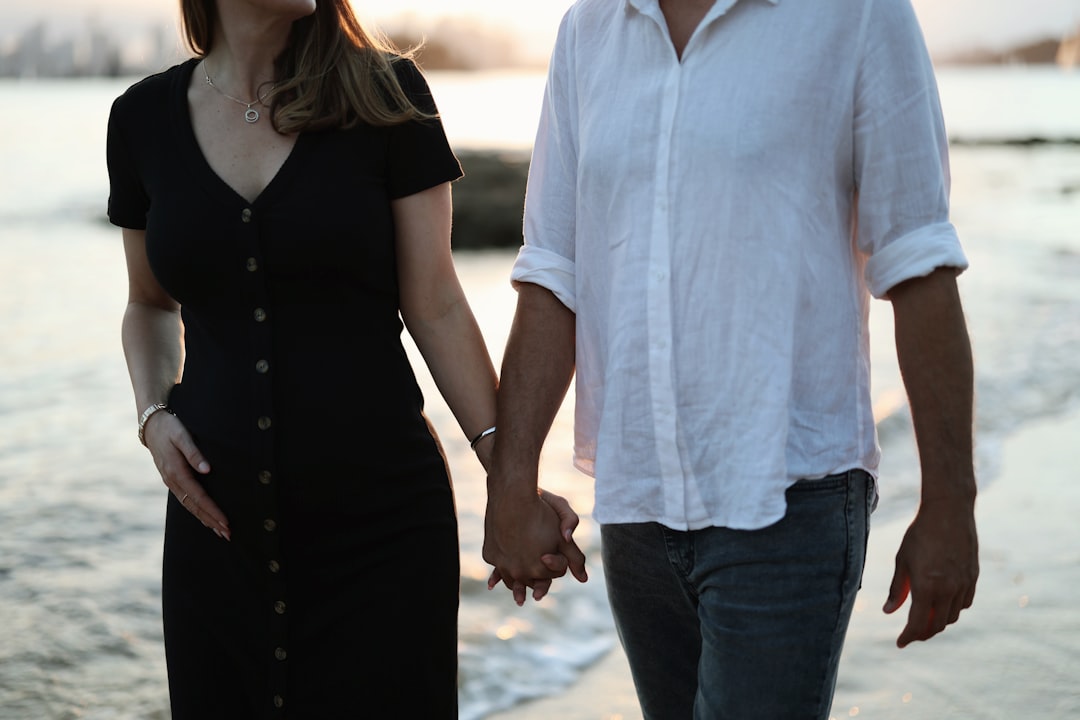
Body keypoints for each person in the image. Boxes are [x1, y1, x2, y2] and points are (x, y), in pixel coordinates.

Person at [483, 0, 980, 717]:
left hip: (789, 502)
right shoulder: (588, 29)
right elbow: (553, 273)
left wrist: (950, 503)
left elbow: (918, 261)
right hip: (636, 505)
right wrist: (511, 485)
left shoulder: (856, 15)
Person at [106, 1, 581, 716]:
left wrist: (510, 481)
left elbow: (437, 306)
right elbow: (148, 304)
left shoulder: (386, 93)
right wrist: (152, 414)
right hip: (218, 537)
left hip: (383, 535)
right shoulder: (141, 119)